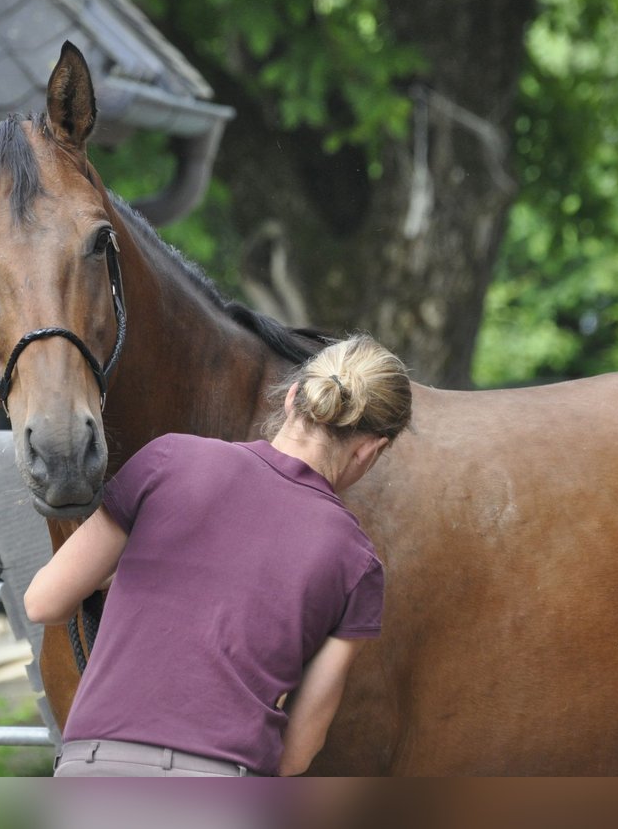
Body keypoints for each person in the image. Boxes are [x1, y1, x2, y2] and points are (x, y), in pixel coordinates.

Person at [24, 333, 413, 777]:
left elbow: (44, 602)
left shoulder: (169, 458)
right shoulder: (357, 563)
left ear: (290, 399)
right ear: (371, 449)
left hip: (95, 769)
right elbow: (300, 752)